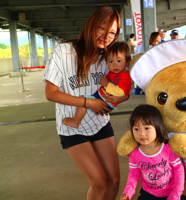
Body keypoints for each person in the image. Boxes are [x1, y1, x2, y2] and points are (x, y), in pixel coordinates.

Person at [43, 6, 129, 200]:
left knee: (114, 182)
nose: (106, 36)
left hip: (100, 124)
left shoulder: (107, 57)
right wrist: (88, 103)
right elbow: (51, 93)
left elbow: (123, 86)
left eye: (113, 33)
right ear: (91, 25)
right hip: (72, 128)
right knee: (99, 182)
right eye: (102, 28)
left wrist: (122, 97)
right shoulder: (63, 52)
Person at [120, 104, 185, 200]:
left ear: (158, 127)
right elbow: (134, 174)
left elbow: (179, 170)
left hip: (171, 193)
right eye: (136, 129)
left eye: (146, 128)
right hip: (148, 193)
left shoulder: (168, 149)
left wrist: (176, 193)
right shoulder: (134, 154)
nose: (141, 133)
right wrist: (128, 192)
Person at [62, 41, 132, 128]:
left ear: (128, 61)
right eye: (110, 61)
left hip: (106, 102)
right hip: (102, 97)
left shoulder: (125, 76)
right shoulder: (116, 72)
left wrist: (107, 84)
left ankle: (75, 121)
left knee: (83, 100)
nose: (114, 65)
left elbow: (122, 92)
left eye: (118, 61)